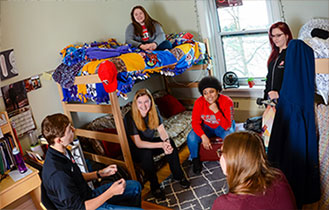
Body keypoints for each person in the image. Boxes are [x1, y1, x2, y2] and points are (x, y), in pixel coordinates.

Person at [41, 113, 142, 210]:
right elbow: (79, 208)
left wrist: (100, 173)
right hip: (85, 207)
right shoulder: (57, 173)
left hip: (89, 196)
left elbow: (76, 177)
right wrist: (111, 193)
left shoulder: (63, 151)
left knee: (135, 187)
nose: (74, 129)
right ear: (59, 140)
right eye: (69, 130)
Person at [123, 89, 190, 200]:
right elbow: (138, 144)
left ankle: (179, 175)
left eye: (146, 102)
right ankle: (155, 187)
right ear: (135, 103)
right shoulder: (129, 117)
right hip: (136, 150)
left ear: (151, 101)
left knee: (171, 143)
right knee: (146, 154)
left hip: (149, 143)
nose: (144, 106)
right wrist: (161, 145)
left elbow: (162, 131)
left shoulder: (154, 110)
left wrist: (166, 143)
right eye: (140, 102)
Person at [212, 131, 297, 210]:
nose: (220, 157)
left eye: (222, 152)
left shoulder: (224, 204)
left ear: (234, 161)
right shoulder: (278, 176)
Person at [187, 76, 235, 174]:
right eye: (205, 93)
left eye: (212, 91)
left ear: (218, 91)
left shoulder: (227, 101)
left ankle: (230, 161)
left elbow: (227, 126)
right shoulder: (199, 102)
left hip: (222, 126)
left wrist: (216, 111)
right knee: (191, 137)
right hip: (207, 127)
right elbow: (195, 123)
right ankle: (195, 160)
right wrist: (203, 136)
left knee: (230, 138)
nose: (209, 96)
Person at [264, 22, 293, 100]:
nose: (275, 39)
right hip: (271, 100)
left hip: (285, 99)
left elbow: (294, 81)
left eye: (279, 35)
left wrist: (280, 94)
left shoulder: (291, 54)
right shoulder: (274, 56)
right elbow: (269, 78)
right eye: (273, 36)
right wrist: (265, 97)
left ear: (287, 36)